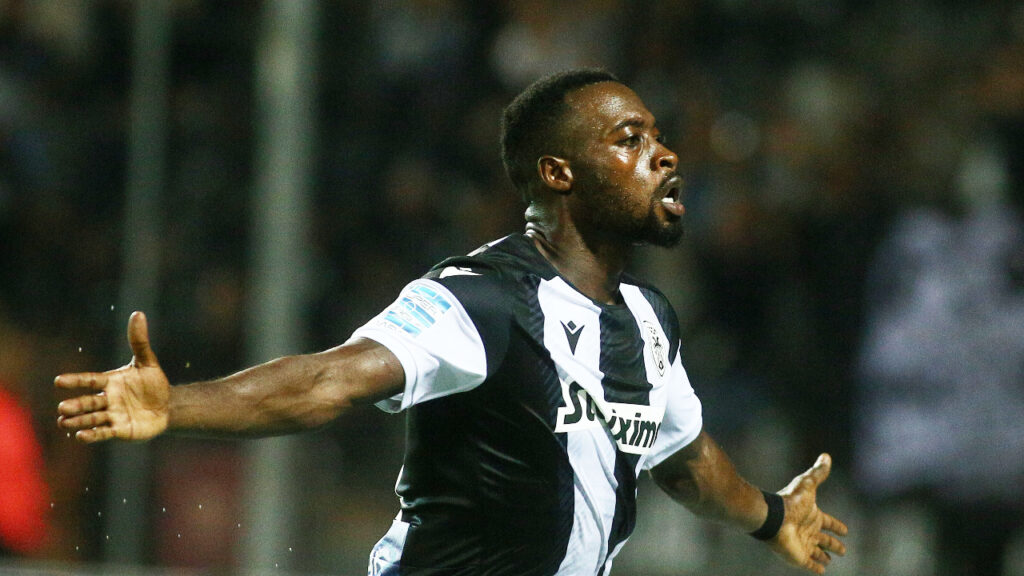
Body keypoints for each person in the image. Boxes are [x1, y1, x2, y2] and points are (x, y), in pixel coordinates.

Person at [55, 69, 847, 576]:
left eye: (660, 137)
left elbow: (685, 461)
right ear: (558, 173)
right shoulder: (483, 299)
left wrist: (773, 516)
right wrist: (177, 405)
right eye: (629, 139)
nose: (664, 154)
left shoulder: (648, 320)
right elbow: (332, 378)